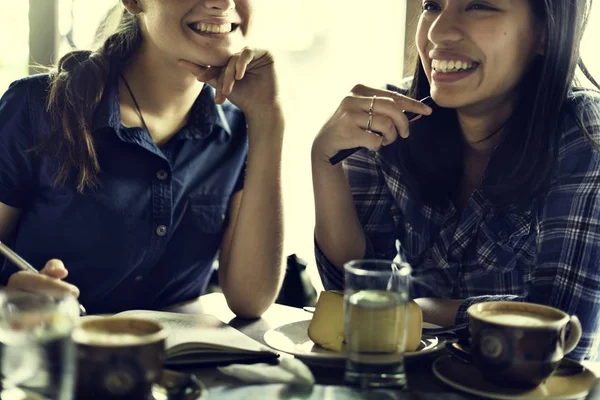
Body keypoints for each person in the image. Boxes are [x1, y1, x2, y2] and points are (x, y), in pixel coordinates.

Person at [312, 0, 600, 361]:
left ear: (545, 33)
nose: (437, 31)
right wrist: (325, 163)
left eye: (479, 5)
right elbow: (348, 303)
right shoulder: (387, 121)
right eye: (432, 5)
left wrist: (420, 308)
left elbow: (564, 336)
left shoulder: (584, 135)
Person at [0, 0, 285, 317]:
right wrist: (7, 298)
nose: (224, 2)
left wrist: (268, 119)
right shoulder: (36, 107)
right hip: (54, 355)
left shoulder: (241, 126)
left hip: (178, 363)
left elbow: (251, 300)